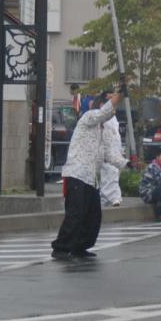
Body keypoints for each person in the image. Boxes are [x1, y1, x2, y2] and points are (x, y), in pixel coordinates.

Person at [51, 88, 128, 260]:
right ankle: (61, 248)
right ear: (101, 105)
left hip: (92, 178)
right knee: (75, 212)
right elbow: (103, 112)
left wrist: (129, 163)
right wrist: (118, 95)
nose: (113, 110)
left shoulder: (104, 131)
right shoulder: (88, 118)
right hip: (77, 173)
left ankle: (80, 246)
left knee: (93, 214)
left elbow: (110, 155)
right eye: (109, 103)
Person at [99, 99, 124, 208]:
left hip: (115, 150)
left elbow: (116, 136)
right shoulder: (101, 116)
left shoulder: (113, 118)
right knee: (109, 173)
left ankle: (111, 198)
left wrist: (120, 151)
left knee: (113, 174)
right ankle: (113, 198)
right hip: (106, 150)